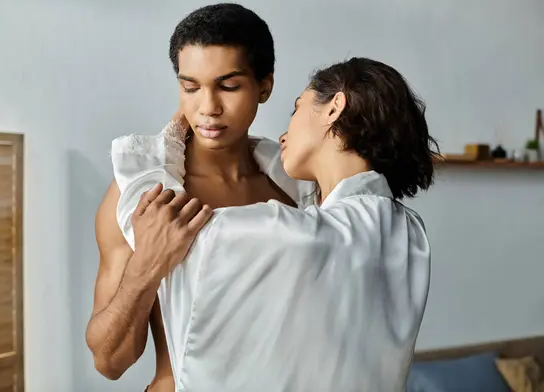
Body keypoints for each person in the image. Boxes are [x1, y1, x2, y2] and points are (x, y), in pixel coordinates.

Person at [114, 57, 439, 391]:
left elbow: (163, 228)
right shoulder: (409, 234)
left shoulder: (289, 233)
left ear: (334, 107)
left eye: (296, 110)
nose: (283, 135)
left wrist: (162, 147)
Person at [85, 3, 312, 391]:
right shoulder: (146, 194)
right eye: (190, 87)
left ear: (264, 86)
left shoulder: (294, 189)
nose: (207, 108)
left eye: (228, 86)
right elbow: (109, 362)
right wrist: (147, 266)